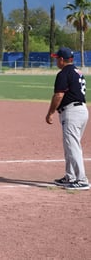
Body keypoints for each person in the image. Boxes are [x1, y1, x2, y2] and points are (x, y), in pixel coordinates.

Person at [46, 47, 89, 190]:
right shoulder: (78, 72)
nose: (56, 61)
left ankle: (81, 179)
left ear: (62, 60)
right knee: (70, 145)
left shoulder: (64, 73)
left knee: (72, 145)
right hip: (81, 110)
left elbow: (59, 95)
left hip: (72, 112)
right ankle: (70, 176)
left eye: (57, 58)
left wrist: (50, 113)